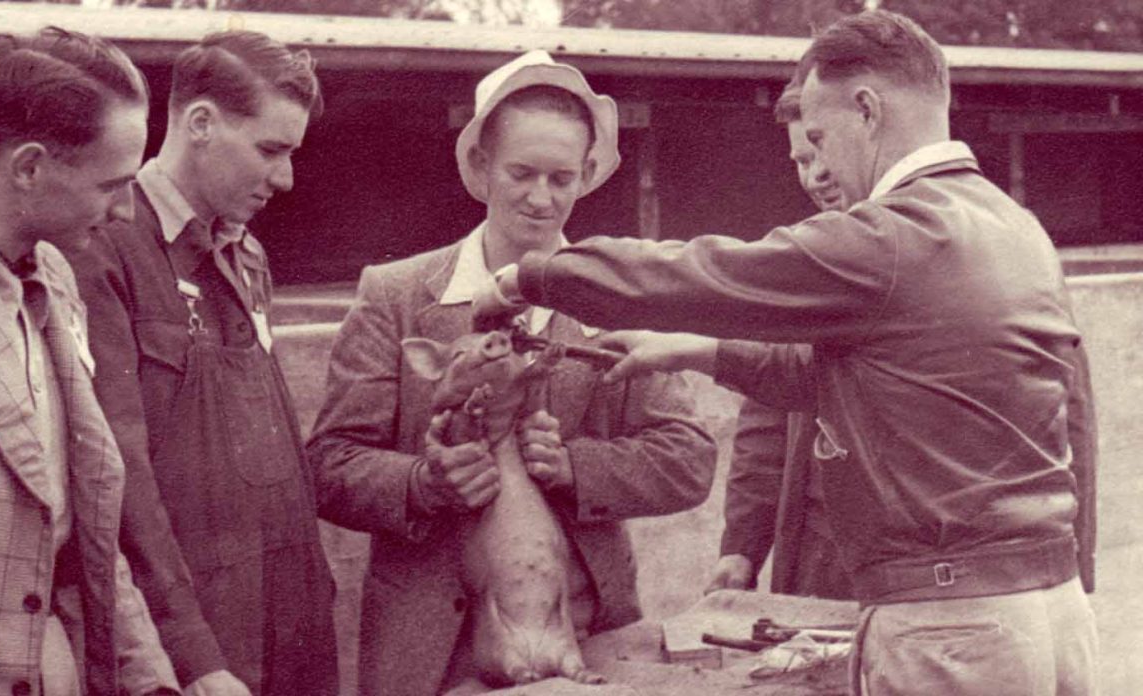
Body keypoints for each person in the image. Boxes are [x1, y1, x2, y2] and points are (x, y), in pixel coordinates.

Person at [477, 11, 1099, 695]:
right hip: (1054, 612)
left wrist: (533, 276)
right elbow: (856, 376)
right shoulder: (1016, 227)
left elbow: (706, 272)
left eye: (822, 138)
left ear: (867, 109)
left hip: (949, 629)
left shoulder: (889, 235)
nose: (819, 165)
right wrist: (699, 351)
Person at [307, 50, 716, 695]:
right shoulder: (397, 293)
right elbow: (330, 464)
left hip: (581, 640)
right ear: (479, 166)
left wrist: (577, 467)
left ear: (588, 173)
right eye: (521, 173)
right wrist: (422, 481)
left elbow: (689, 459)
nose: (541, 198)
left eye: (562, 177)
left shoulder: (615, 300)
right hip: (431, 656)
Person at [69, 31, 336, 696]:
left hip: (292, 629)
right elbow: (117, 473)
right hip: (199, 650)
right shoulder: (103, 247)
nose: (288, 179)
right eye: (271, 149)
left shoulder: (247, 257)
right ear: (200, 123)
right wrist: (191, 653)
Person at [0, 27, 180, 696]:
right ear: (29, 167)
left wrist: (149, 677)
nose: (127, 210)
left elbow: (79, 525)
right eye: (113, 184)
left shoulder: (55, 273)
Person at [706, 82, 854, 600]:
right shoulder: (799, 263)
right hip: (813, 554)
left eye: (823, 152)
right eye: (800, 159)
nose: (816, 175)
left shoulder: (929, 247)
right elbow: (765, 420)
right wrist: (741, 549)